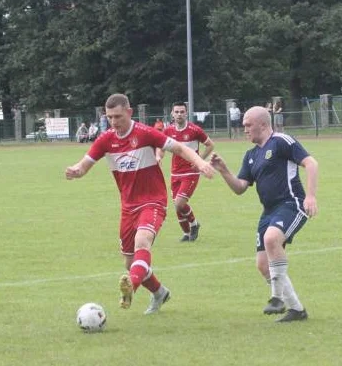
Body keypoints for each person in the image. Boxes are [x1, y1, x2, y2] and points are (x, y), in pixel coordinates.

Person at [65, 93, 214, 314]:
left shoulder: (145, 133)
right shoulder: (105, 139)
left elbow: (180, 148)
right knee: (130, 262)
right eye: (109, 117)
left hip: (153, 201)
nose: (113, 122)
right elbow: (84, 165)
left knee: (142, 241)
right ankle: (159, 292)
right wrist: (75, 171)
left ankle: (130, 288)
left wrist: (200, 163)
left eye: (118, 116)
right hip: (128, 207)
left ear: (129, 112)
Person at [210, 106, 318, 323]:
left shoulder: (281, 141)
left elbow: (311, 163)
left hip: (292, 204)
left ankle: (277, 297)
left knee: (271, 238)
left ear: (263, 124)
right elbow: (240, 187)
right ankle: (296, 310)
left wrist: (311, 196)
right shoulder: (251, 155)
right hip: (268, 211)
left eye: (248, 125)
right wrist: (224, 171)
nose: (244, 129)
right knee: (262, 265)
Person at [156, 102, 215, 242]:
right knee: (177, 207)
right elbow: (161, 148)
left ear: (186, 113)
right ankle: (187, 234)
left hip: (191, 172)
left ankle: (194, 224)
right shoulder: (168, 131)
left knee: (179, 203)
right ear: (172, 113)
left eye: (182, 112)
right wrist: (158, 156)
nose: (179, 114)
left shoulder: (195, 130)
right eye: (176, 112)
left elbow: (210, 145)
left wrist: (199, 160)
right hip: (175, 173)